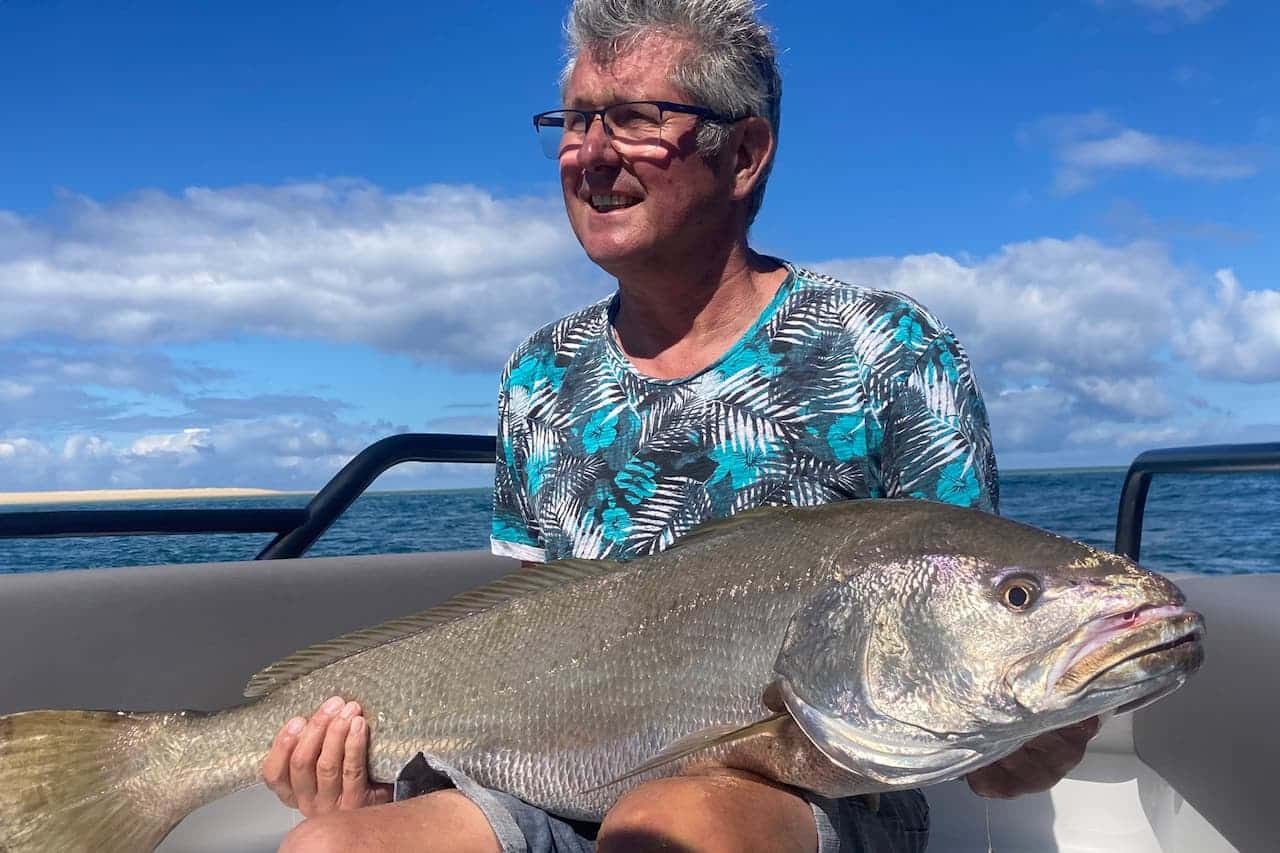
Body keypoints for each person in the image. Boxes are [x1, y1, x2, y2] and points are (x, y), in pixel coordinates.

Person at [263, 2, 1100, 850]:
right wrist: (376, 777)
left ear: (743, 154)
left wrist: (1022, 739)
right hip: (562, 783)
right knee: (326, 845)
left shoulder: (887, 347)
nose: (588, 153)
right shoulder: (537, 372)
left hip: (826, 790)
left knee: (663, 829)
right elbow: (526, 627)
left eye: (631, 118)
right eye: (575, 119)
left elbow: (973, 651)